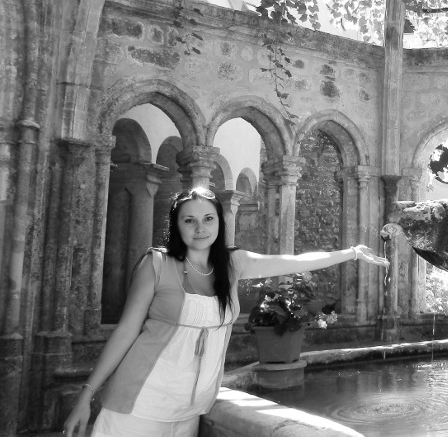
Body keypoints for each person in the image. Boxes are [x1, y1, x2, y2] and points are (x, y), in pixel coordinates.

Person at [63, 187, 389, 437]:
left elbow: (296, 261)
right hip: (140, 399)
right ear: (177, 225)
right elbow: (126, 331)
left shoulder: (233, 264)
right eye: (188, 220)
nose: (200, 228)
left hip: (191, 406)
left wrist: (351, 253)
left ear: (220, 221)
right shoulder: (158, 264)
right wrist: (86, 395)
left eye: (208, 219)